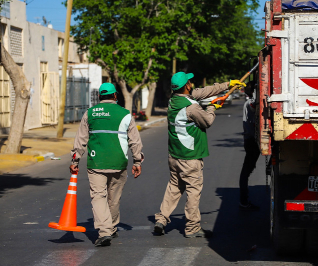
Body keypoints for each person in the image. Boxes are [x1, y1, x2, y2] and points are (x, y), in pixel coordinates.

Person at [154, 72, 245, 238]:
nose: (192, 84)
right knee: (193, 192)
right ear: (187, 86)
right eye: (190, 82)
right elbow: (207, 121)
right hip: (190, 157)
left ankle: (161, 219)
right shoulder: (192, 107)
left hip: (174, 155)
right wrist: (212, 107)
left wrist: (227, 84)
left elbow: (203, 92)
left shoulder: (174, 100)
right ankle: (192, 228)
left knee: (174, 187)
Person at [70, 83, 144, 247]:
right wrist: (137, 161)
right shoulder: (125, 114)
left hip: (96, 163)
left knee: (98, 196)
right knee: (114, 198)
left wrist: (75, 160)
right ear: (115, 96)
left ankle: (105, 231)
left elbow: (81, 139)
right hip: (119, 162)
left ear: (99, 97)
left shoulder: (90, 113)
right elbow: (135, 140)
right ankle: (110, 228)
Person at [239, 85, 260, 211]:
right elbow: (255, 105)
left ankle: (244, 199)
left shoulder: (249, 102)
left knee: (247, 170)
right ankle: (243, 200)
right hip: (251, 141)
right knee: (245, 172)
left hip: (251, 140)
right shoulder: (249, 104)